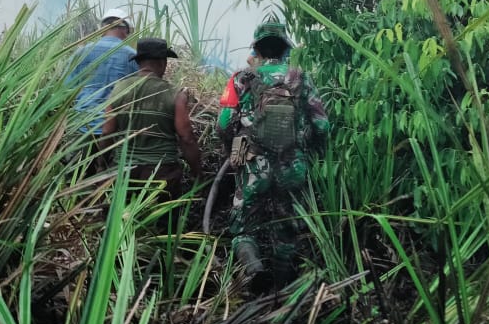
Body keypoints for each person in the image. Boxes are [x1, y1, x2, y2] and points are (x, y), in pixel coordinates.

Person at [217, 21, 329, 290]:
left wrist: (231, 149)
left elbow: (223, 124)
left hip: (254, 164)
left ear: (256, 47)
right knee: (287, 223)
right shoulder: (301, 78)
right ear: (285, 48)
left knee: (242, 225)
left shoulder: (241, 78)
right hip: (293, 165)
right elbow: (322, 125)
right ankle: (284, 283)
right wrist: (313, 152)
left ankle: (254, 269)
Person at [102, 37, 203, 203]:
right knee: (163, 227)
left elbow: (107, 131)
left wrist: (102, 164)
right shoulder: (174, 94)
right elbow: (187, 138)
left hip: (123, 173)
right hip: (162, 176)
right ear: (163, 63)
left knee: (119, 224)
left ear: (139, 62)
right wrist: (197, 172)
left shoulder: (119, 89)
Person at [65, 7, 138, 138]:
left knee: (81, 159)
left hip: (81, 126)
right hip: (116, 130)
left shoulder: (81, 53)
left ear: (103, 28)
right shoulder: (133, 56)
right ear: (124, 29)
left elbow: (66, 88)